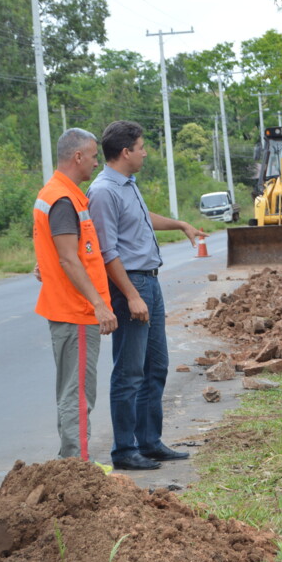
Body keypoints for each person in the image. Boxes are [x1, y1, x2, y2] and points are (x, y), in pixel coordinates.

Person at [87, 120, 206, 471]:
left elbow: (142, 218)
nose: (145, 152)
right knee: (128, 371)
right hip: (131, 287)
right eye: (141, 147)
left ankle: (149, 442)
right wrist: (131, 295)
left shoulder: (127, 185)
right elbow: (107, 252)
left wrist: (180, 223)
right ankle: (124, 450)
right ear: (126, 152)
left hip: (148, 283)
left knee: (156, 366)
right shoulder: (104, 191)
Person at [33, 128, 118, 460]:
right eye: (94, 156)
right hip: (75, 312)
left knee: (72, 391)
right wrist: (98, 304)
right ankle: (77, 468)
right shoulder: (63, 199)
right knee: (78, 394)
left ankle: (72, 463)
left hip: (67, 310)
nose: (97, 163)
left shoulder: (58, 194)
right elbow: (69, 258)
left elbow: (57, 254)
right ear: (78, 156)